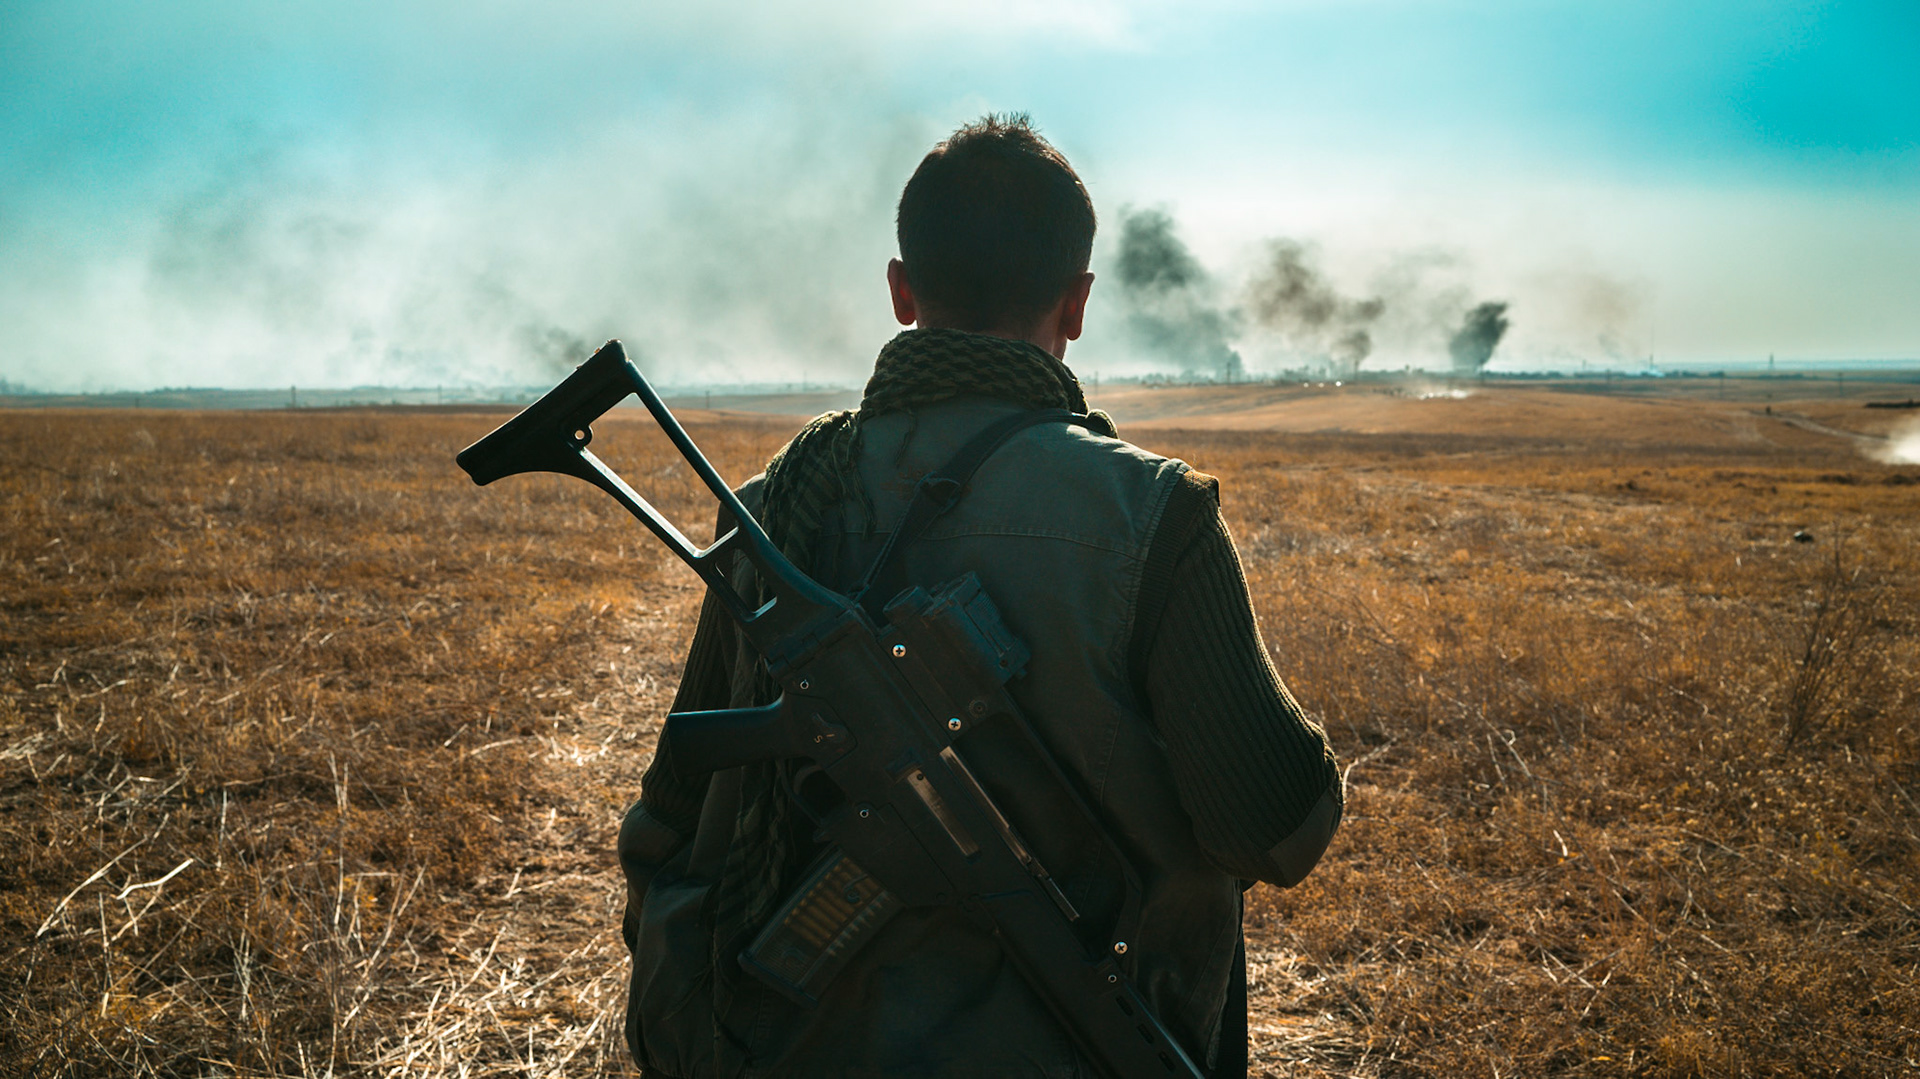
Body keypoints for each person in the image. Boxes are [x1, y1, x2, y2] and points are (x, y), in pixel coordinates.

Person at [618, 114, 1341, 1078]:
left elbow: (673, 811)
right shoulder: (1152, 514)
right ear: (1077, 304)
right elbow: (1273, 827)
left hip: (775, 1043)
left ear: (901, 290)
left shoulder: (773, 508)